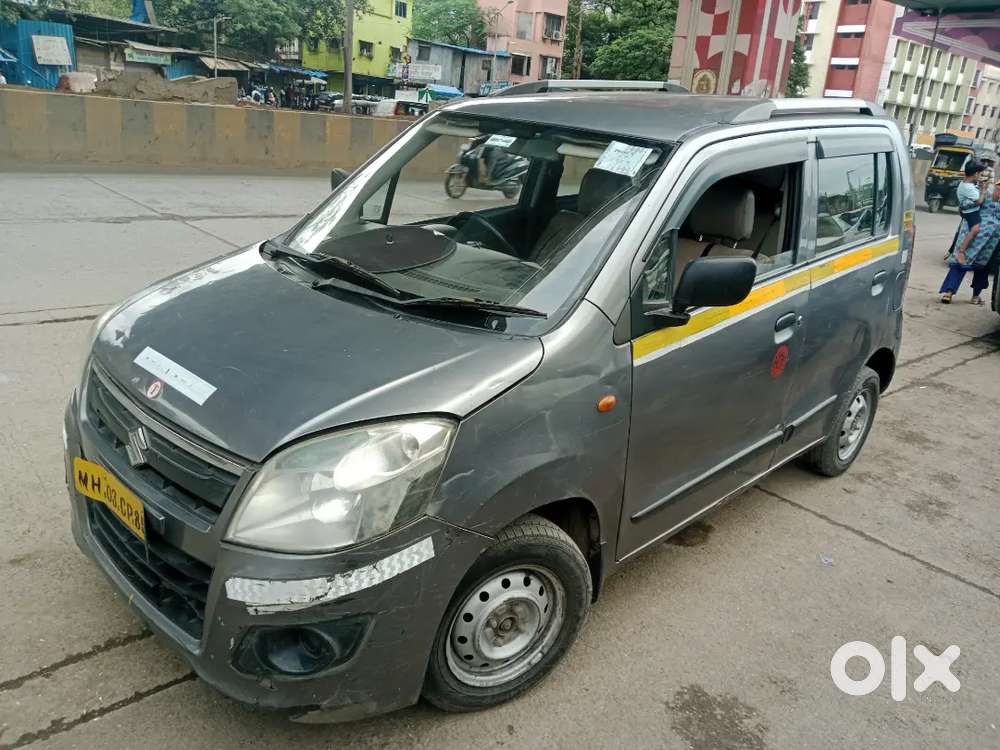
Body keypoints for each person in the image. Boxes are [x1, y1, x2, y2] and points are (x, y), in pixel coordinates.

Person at [940, 172, 1000, 304]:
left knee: (982, 267)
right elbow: (964, 207)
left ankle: (974, 295)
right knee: (960, 263)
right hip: (973, 235)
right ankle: (950, 292)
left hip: (991, 241)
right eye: (998, 188)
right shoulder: (982, 192)